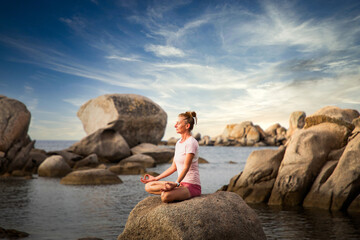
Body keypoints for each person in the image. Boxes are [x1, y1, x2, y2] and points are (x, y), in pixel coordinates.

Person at [140, 111, 201, 203]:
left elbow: (186, 167)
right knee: (148, 186)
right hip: (180, 184)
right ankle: (174, 191)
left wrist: (175, 183)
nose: (175, 125)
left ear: (187, 126)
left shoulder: (191, 142)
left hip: (191, 186)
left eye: (178, 123)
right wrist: (156, 178)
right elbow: (174, 167)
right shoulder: (179, 143)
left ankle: (172, 192)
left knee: (165, 197)